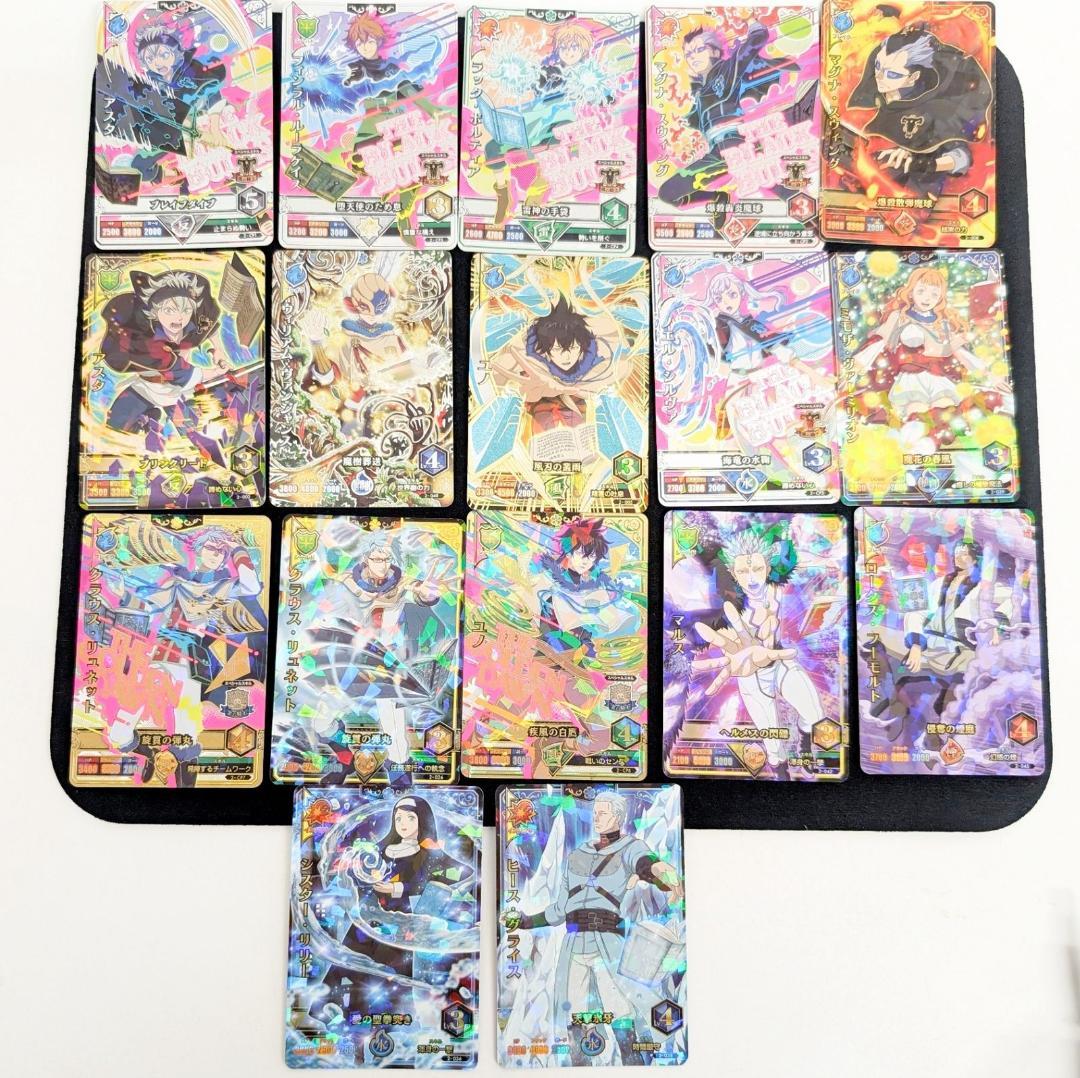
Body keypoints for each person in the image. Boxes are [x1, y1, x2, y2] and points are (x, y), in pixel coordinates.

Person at [512, 793, 683, 1065]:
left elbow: (647, 864)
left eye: (603, 813)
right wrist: (525, 922)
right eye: (595, 812)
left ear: (618, 817)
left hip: (607, 943)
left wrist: (666, 874)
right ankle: (580, 1065)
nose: (596, 817)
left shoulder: (630, 847)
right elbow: (559, 909)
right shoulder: (577, 856)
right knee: (575, 1011)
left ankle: (633, 1064)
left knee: (619, 1008)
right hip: (574, 944)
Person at [844, 26, 993, 196]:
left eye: (892, 74)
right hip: (860, 186)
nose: (879, 76)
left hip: (909, 195)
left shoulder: (936, 109)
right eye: (878, 66)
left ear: (913, 77)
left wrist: (922, 162)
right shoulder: (875, 102)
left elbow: (961, 158)